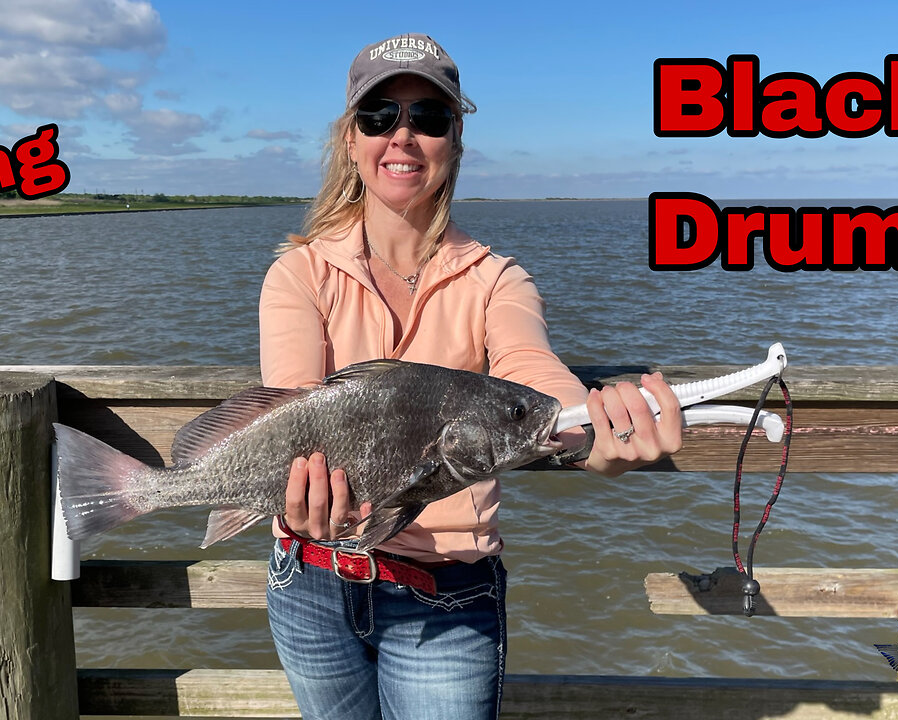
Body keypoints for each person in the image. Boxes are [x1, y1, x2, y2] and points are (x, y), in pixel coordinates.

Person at [258, 32, 683, 720]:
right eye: (379, 117)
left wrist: (594, 436)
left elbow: (531, 372)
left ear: (456, 139)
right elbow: (295, 411)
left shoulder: (497, 280)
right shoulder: (299, 274)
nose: (402, 136)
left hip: (449, 595)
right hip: (310, 582)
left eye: (427, 117)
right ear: (349, 139)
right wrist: (301, 498)